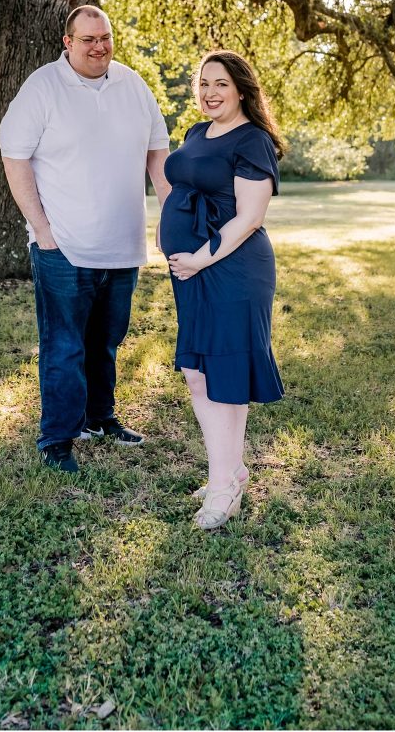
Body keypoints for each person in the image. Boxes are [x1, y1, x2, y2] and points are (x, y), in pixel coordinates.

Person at [0, 5, 170, 473]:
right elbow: (14, 156)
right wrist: (43, 230)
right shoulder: (43, 87)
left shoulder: (133, 85)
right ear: (67, 42)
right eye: (88, 38)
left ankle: (99, 418)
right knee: (65, 345)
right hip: (64, 247)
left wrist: (169, 214)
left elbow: (159, 153)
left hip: (123, 244)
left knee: (107, 340)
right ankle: (57, 438)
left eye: (106, 37)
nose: (99, 46)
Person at [159, 50, 285, 530]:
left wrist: (199, 256)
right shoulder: (196, 132)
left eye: (221, 85)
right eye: (204, 84)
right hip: (191, 269)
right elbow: (184, 188)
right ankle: (228, 470)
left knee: (223, 375)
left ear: (241, 90)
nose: (210, 93)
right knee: (197, 371)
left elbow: (250, 217)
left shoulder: (253, 140)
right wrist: (166, 231)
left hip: (230, 269)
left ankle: (223, 486)